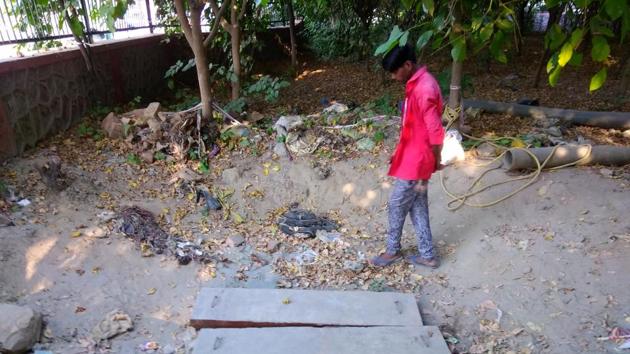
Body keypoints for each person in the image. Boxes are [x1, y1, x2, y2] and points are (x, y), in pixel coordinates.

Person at [370, 44, 444, 269]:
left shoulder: (424, 89)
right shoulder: (417, 84)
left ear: (408, 65)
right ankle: (427, 254)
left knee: (396, 205)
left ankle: (392, 251)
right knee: (417, 206)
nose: (393, 77)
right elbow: (413, 126)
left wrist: (435, 160)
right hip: (414, 158)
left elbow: (435, 132)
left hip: (418, 161)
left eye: (395, 72)